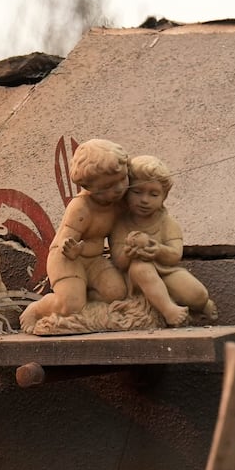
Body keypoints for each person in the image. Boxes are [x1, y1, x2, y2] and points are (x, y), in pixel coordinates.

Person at [20, 139, 130, 330]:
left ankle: (87, 309)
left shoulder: (118, 203)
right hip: (67, 259)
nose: (119, 189)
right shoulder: (81, 208)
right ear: (88, 187)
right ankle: (38, 309)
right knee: (69, 306)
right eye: (107, 187)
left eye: (123, 179)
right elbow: (66, 240)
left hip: (94, 260)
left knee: (116, 292)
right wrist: (71, 249)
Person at [110, 155, 215, 326]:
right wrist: (128, 254)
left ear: (164, 197)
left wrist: (158, 250)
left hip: (165, 270)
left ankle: (203, 305)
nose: (144, 200)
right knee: (141, 267)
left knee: (197, 295)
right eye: (137, 192)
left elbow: (175, 255)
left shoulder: (167, 222)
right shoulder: (120, 224)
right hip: (135, 276)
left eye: (154, 194)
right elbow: (119, 262)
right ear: (126, 192)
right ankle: (169, 310)